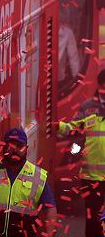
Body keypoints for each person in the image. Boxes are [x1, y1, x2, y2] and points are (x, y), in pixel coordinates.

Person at [0, 127, 57, 237]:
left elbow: (50, 210)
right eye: (11, 146)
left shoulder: (38, 176)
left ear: (26, 148)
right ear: (4, 147)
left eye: (19, 146)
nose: (15, 150)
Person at [58, 69, 105, 237]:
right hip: (91, 177)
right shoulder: (88, 108)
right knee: (93, 220)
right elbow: (72, 129)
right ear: (100, 85)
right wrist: (58, 126)